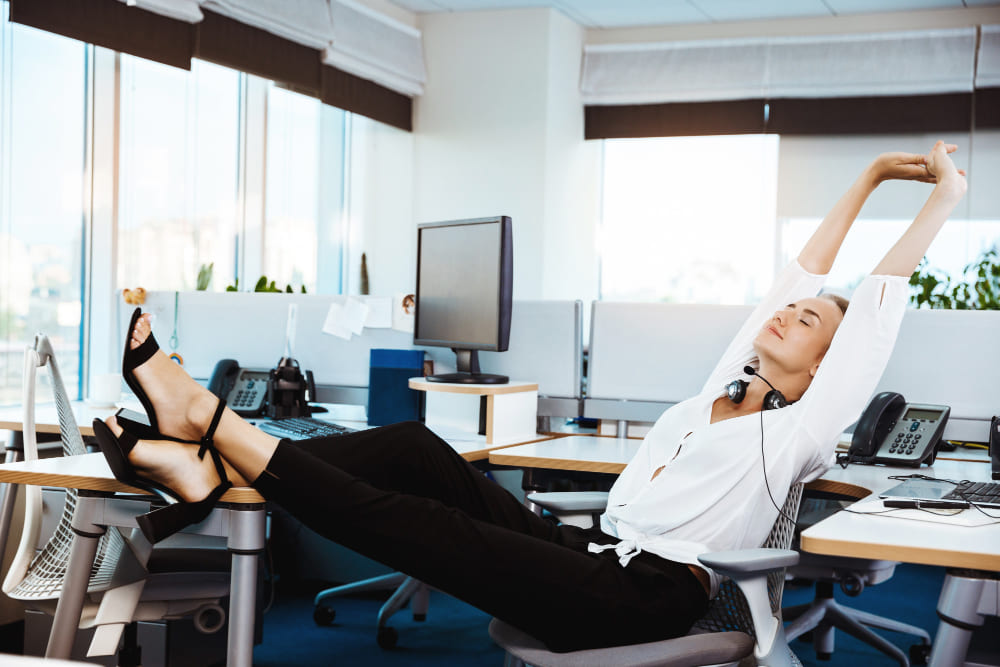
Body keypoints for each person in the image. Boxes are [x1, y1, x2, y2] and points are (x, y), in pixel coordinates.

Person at [94, 141, 967, 653]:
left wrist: (941, 198)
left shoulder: (804, 425)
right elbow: (800, 271)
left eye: (807, 321)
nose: (784, 312)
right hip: (592, 550)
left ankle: (206, 431)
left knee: (430, 530)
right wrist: (863, 182)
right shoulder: (718, 391)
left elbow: (874, 307)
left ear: (828, 368)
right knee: (416, 452)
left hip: (657, 592)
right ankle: (207, 461)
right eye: (785, 309)